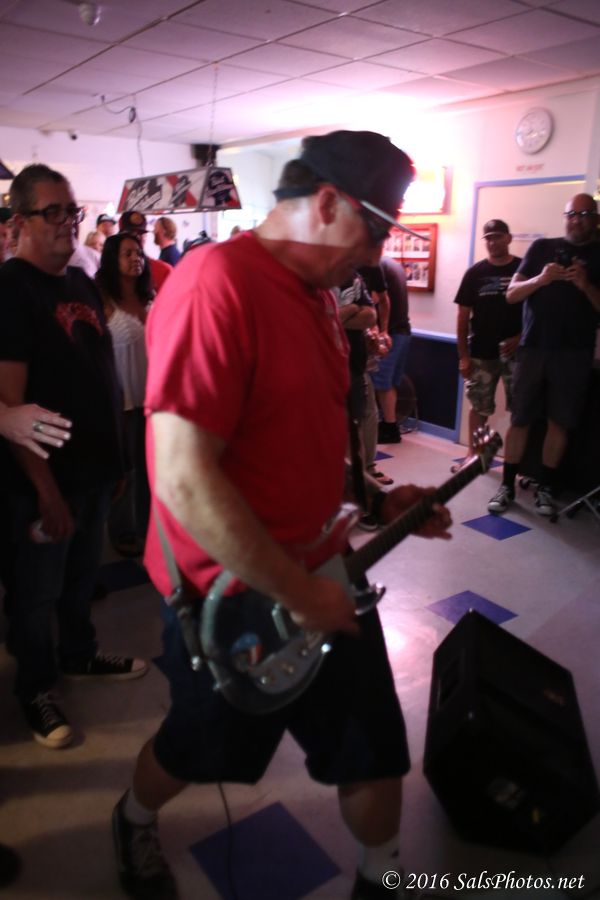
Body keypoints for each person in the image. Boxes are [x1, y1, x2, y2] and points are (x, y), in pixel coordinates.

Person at [111, 130, 452, 900]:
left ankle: (380, 876)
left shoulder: (320, 297)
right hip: (226, 595)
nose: (378, 255)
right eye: (377, 231)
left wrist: (375, 499)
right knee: (196, 747)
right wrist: (299, 594)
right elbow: (184, 477)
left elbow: (305, 436)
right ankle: (133, 817)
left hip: (323, 573)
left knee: (373, 750)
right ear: (327, 202)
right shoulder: (215, 285)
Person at [0, 163, 148, 751]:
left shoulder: (82, 284)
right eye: (52, 212)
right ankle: (36, 687)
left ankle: (79, 653)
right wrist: (45, 490)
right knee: (35, 593)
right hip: (45, 481)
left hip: (95, 470)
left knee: (82, 577)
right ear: (20, 222)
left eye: (72, 211)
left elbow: (103, 379)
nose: (67, 222)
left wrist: (118, 462)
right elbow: (12, 404)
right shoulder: (12, 289)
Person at [488, 194, 600, 517]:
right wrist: (542, 279)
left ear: (595, 218)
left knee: (559, 422)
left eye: (584, 214)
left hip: (574, 354)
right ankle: (507, 485)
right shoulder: (541, 248)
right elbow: (512, 295)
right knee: (520, 418)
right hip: (533, 350)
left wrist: (585, 284)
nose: (576, 219)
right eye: (571, 213)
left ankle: (546, 487)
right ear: (565, 217)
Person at [96, 232, 154, 556]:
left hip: (153, 398)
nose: (136, 259)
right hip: (123, 399)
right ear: (112, 259)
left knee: (149, 470)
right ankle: (122, 531)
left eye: (139, 253)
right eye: (128, 253)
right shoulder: (103, 300)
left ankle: (146, 528)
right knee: (126, 471)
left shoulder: (150, 296)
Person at [454, 219, 522, 464]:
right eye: (489, 238)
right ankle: (475, 457)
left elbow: (537, 312)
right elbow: (463, 316)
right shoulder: (475, 273)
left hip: (517, 353)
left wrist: (520, 338)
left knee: (520, 409)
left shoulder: (523, 269)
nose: (493, 242)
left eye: (498, 237)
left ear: (508, 238)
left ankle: (514, 462)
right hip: (482, 353)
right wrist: (463, 356)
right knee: (479, 407)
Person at [371, 256, 412, 445]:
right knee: (390, 382)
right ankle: (390, 424)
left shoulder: (377, 266)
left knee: (382, 382)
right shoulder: (393, 264)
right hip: (402, 331)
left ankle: (389, 427)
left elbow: (375, 298)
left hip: (390, 333)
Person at [119, 211, 172, 294]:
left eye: (141, 234)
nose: (137, 238)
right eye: (131, 234)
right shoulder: (110, 270)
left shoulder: (163, 271)